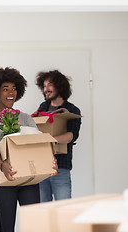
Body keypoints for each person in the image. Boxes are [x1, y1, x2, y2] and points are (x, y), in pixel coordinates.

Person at [0, 67, 57, 232]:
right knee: (7, 228)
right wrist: (2, 164)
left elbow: (38, 144)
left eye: (14, 88)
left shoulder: (26, 118)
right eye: (5, 89)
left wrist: (51, 162)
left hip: (28, 179)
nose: (11, 93)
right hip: (3, 180)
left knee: (33, 227)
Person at [35, 70, 81, 202]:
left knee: (63, 209)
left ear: (60, 86)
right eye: (44, 86)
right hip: (42, 167)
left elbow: (72, 135)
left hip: (61, 167)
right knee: (44, 211)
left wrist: (51, 140)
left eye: (50, 85)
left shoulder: (72, 110)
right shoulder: (42, 108)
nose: (46, 89)